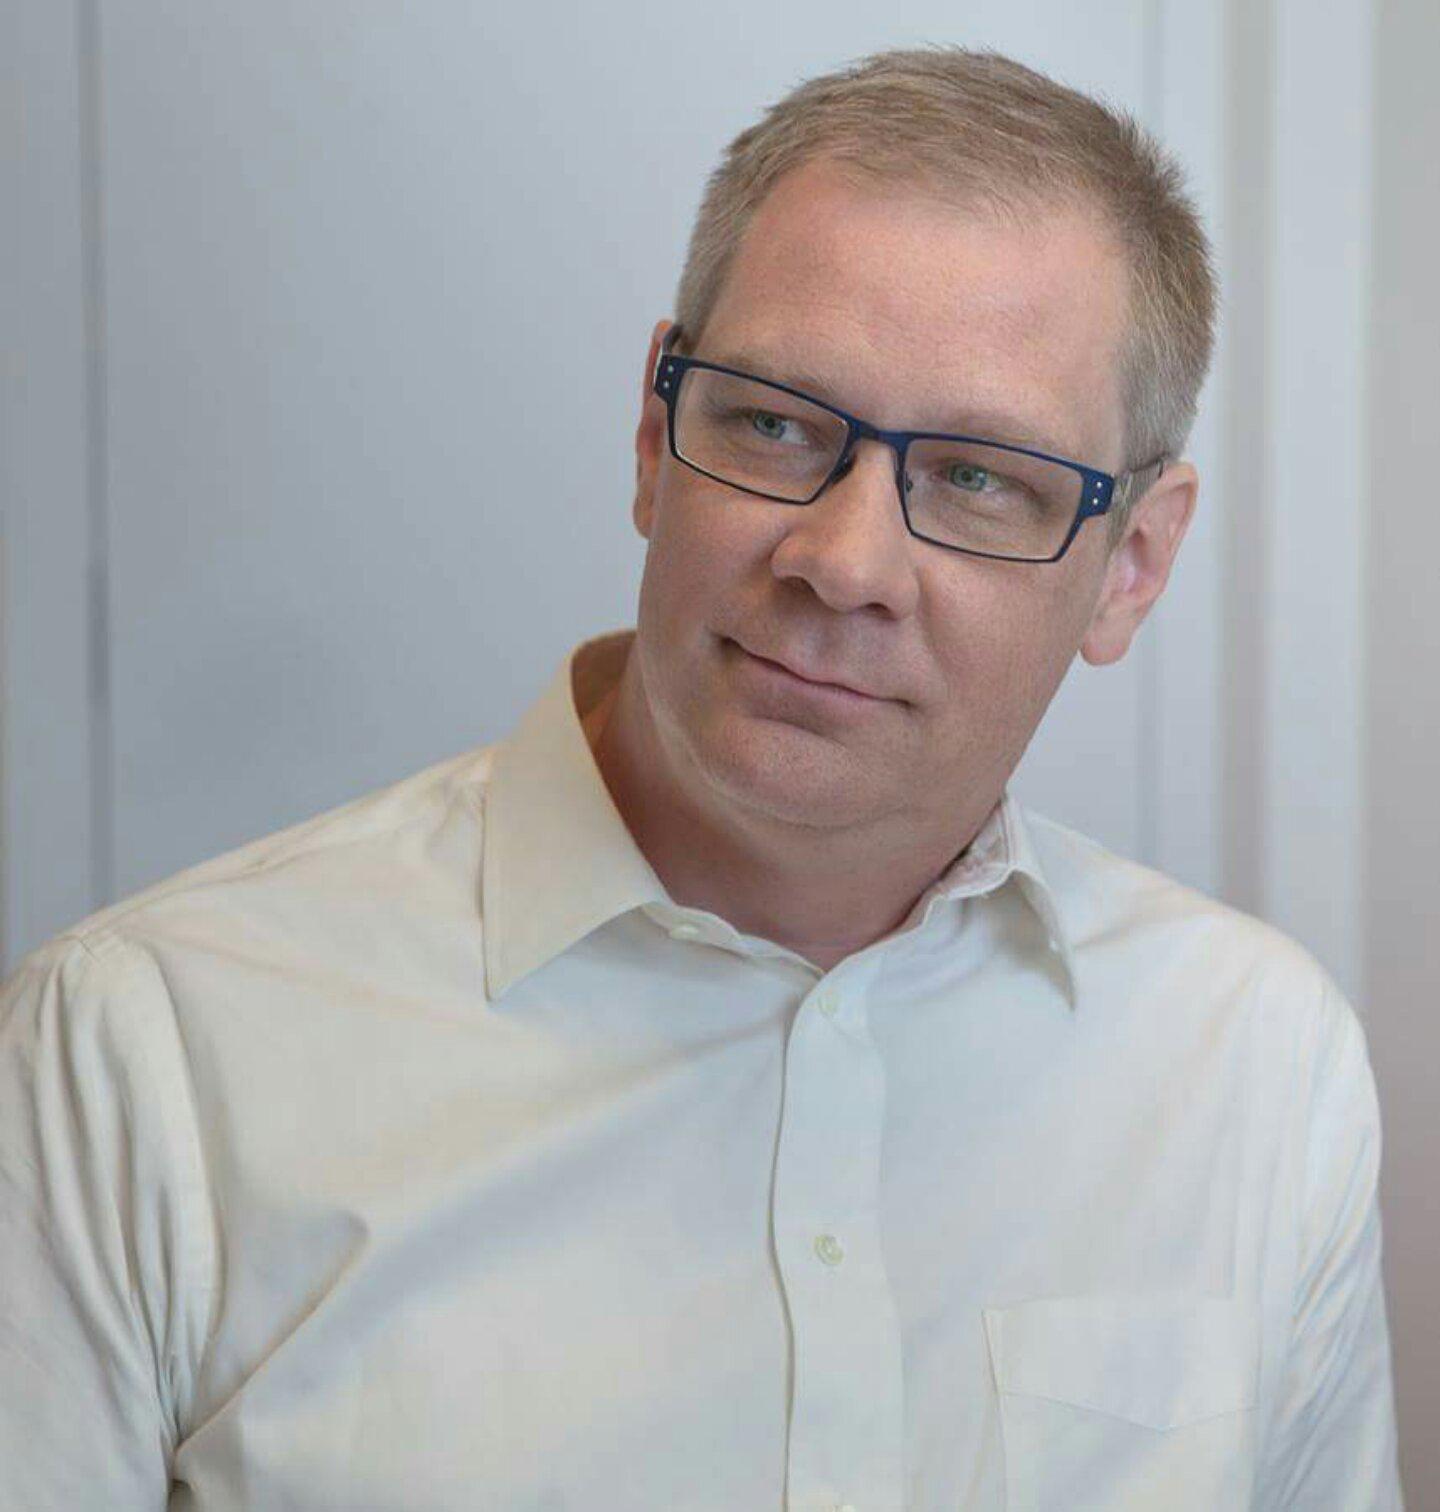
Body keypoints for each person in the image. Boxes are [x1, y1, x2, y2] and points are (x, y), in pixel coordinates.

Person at [0, 44, 1403, 1512]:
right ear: (652, 437)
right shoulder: (143, 1060)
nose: (844, 563)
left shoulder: (1256, 1068)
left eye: (980, 477)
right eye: (775, 423)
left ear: (1134, 565)